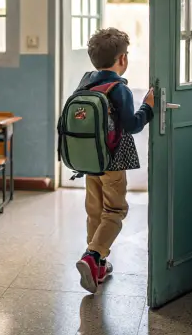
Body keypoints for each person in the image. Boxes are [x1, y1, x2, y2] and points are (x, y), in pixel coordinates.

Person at [75, 27, 154, 293]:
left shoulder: (86, 82)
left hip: (89, 162)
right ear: (122, 59)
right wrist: (148, 108)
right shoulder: (120, 89)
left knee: (94, 212)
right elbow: (131, 125)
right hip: (113, 163)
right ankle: (93, 255)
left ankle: (98, 265)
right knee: (115, 211)